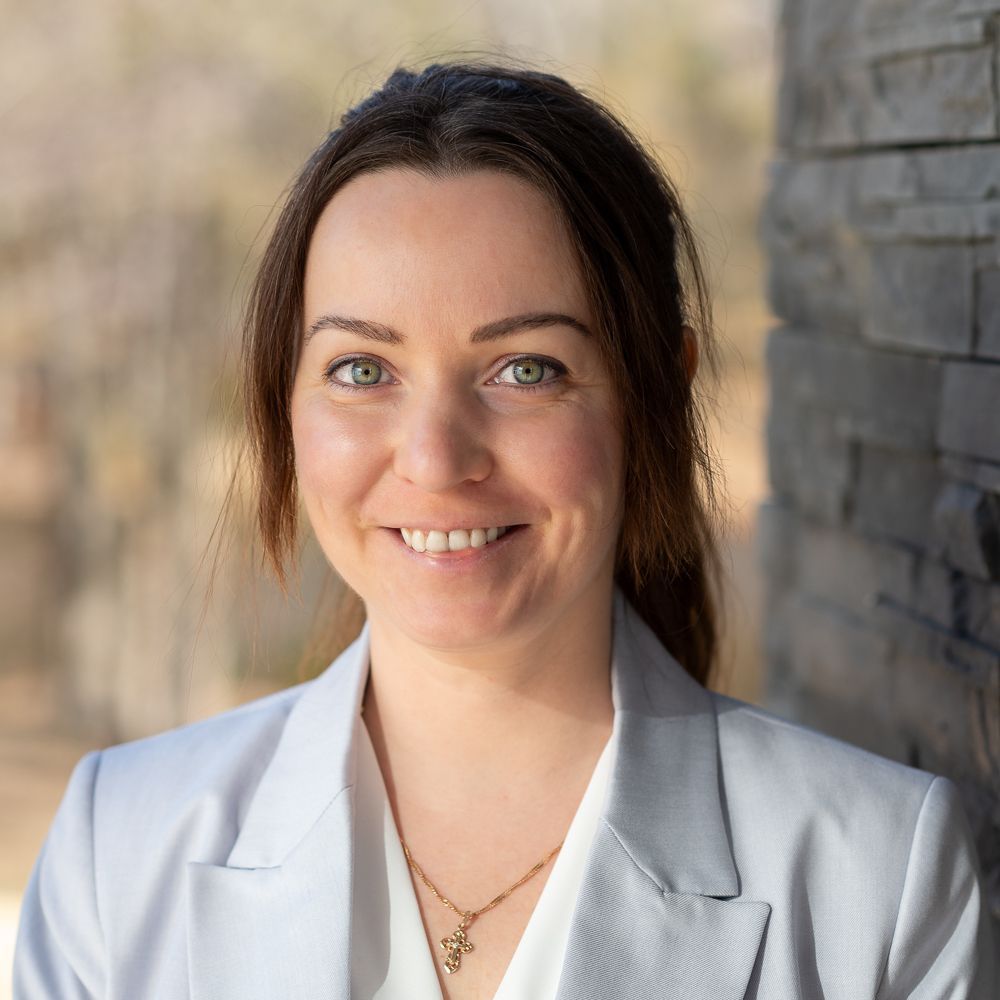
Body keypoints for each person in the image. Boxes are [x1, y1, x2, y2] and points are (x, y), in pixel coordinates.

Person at [14, 60, 995, 1000]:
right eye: (362, 370)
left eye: (525, 369)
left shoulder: (881, 879)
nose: (436, 458)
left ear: (659, 389)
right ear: (283, 402)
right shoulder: (120, 850)